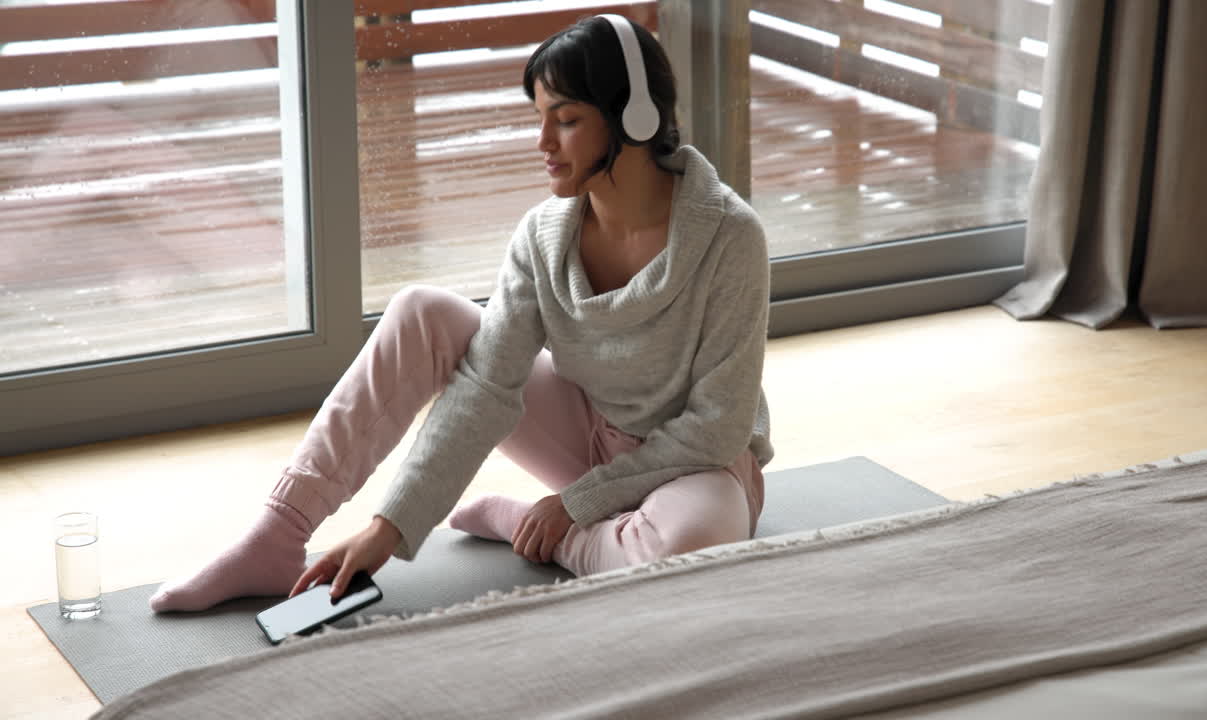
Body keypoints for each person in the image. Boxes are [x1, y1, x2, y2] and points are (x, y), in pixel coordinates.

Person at [149, 14, 772, 612]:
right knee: (422, 311)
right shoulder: (543, 237)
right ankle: (276, 535)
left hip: (697, 467)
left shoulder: (729, 238)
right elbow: (485, 388)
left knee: (692, 547)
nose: (543, 143)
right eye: (539, 119)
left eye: (568, 120)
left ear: (635, 116)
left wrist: (574, 505)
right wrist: (388, 528)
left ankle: (532, 527)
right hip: (589, 435)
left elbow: (717, 426)